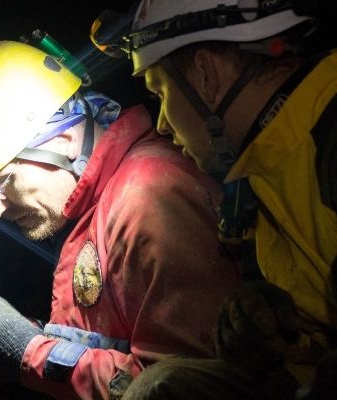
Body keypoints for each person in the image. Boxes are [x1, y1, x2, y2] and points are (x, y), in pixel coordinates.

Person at [0, 39, 241, 399]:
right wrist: (15, 332)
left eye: (1, 182)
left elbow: (186, 387)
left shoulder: (148, 197)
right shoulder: (102, 206)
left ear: (61, 139)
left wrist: (28, 352)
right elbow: (115, 347)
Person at [89, 0, 337, 398]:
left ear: (206, 74)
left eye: (160, 93)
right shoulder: (263, 165)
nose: (163, 124)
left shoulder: (328, 143)